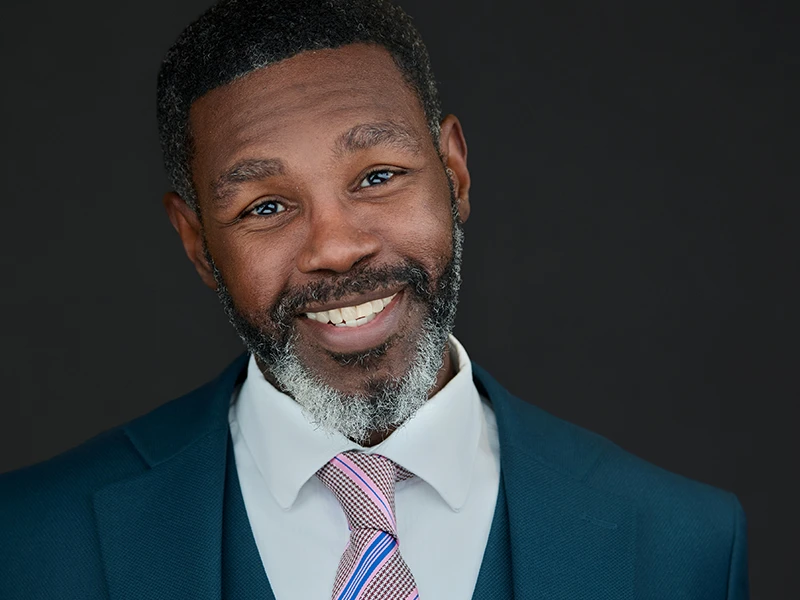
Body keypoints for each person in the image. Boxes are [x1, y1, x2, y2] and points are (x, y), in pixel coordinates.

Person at [0, 0, 749, 598]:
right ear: (198, 243)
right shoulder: (29, 541)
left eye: (378, 176)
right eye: (264, 206)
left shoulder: (681, 546)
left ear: (453, 173)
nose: (336, 247)